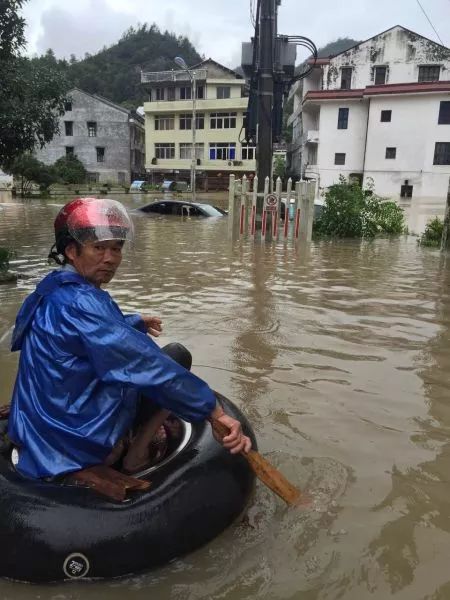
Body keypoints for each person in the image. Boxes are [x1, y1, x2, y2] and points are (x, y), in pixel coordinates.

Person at [8, 197, 251, 481]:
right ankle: (135, 454)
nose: (110, 258)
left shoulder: (51, 288)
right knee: (174, 357)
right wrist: (213, 411)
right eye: (98, 248)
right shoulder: (83, 303)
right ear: (72, 251)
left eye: (116, 248)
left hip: (41, 427)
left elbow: (77, 334)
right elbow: (145, 364)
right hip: (74, 437)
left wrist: (132, 321)